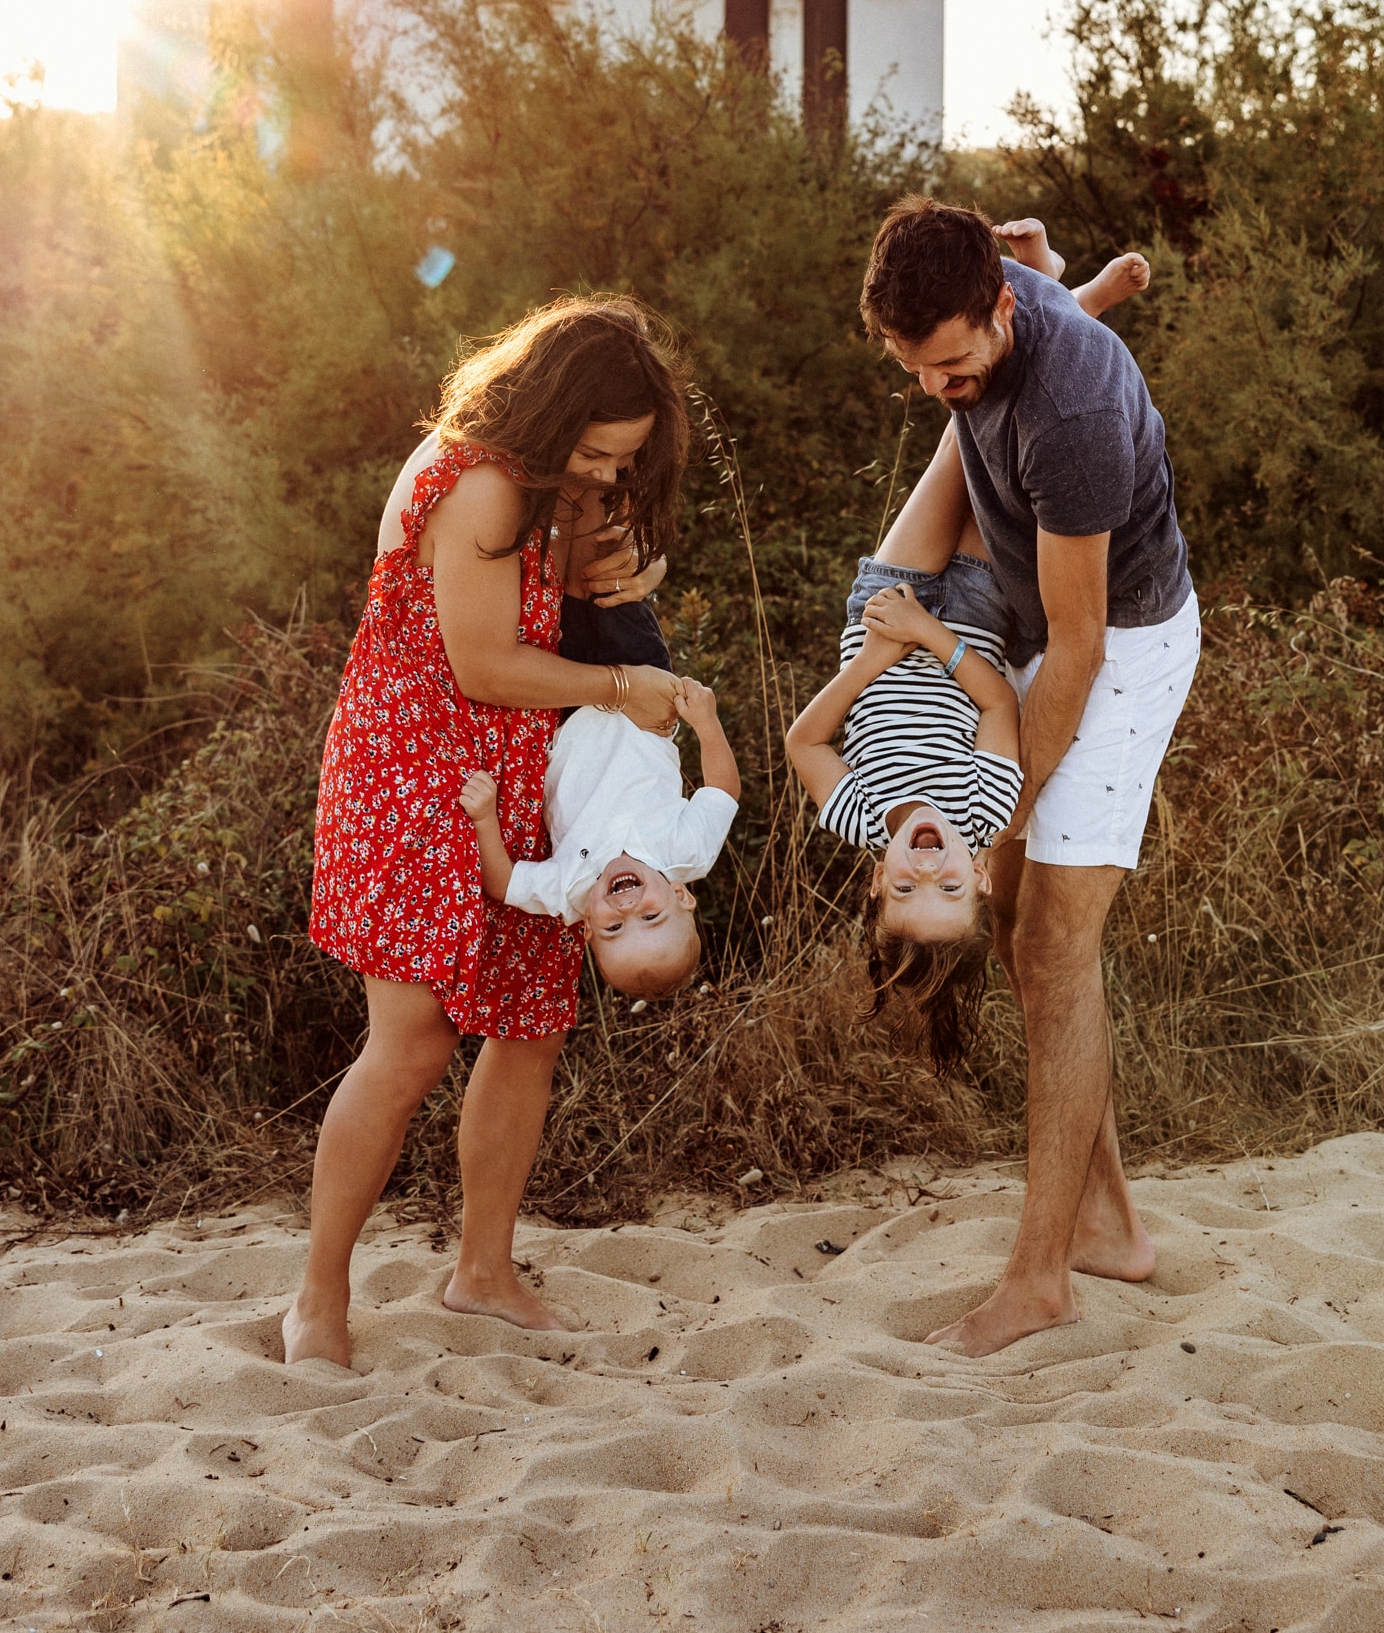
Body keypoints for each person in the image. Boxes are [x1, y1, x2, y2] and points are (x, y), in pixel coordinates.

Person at [284, 297, 689, 1368]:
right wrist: (621, 684)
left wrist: (606, 572)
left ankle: (483, 1270)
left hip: (510, 776)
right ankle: (318, 1299)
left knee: (526, 1024)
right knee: (410, 1042)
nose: (606, 474)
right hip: (414, 773)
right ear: (553, 413)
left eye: (624, 460)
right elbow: (480, 664)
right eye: (597, 453)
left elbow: (529, 615)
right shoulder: (481, 479)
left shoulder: (534, 479)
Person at [859, 201, 1200, 1356]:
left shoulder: (1073, 412)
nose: (934, 387)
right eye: (914, 368)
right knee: (1010, 925)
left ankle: (1040, 1277)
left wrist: (995, 797)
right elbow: (1042, 286)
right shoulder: (999, 295)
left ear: (999, 313)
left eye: (949, 363)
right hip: (1047, 628)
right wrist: (1061, 269)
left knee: (1055, 945)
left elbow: (1084, 639)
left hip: (1122, 642)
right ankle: (1105, 1222)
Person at [786, 577, 1020, 1074]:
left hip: (878, 621)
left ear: (878, 881)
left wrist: (872, 660)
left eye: (908, 888)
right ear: (981, 878)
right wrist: (930, 632)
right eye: (950, 887)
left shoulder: (860, 818)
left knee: (956, 492)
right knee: (981, 495)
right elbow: (1000, 703)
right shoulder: (987, 812)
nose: (928, 868)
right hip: (973, 616)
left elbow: (803, 744)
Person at [462, 678, 740, 997]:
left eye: (614, 928)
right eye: (650, 916)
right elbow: (722, 793)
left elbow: (504, 883)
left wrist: (484, 818)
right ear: (681, 896)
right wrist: (706, 722)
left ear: (590, 927)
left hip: (564, 707)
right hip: (642, 694)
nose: (627, 908)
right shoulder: (689, 853)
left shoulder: (568, 890)